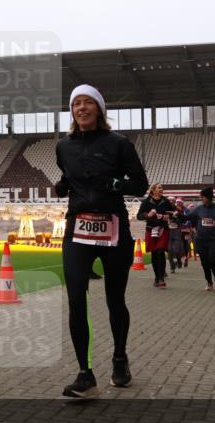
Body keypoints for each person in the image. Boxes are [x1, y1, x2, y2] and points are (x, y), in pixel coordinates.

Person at [54, 84, 148, 398]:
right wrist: (63, 185)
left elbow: (140, 184)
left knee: (114, 300)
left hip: (114, 226)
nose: (81, 108)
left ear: (99, 109)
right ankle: (85, 373)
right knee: (76, 299)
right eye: (76, 104)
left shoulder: (118, 143)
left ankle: (120, 358)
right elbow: (69, 175)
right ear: (71, 111)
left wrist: (113, 183)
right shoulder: (63, 146)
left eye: (87, 103)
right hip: (78, 228)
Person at [178, 187, 215, 291]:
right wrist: (177, 215)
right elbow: (187, 217)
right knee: (204, 262)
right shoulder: (199, 209)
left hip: (214, 240)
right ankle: (209, 282)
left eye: (203, 196)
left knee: (213, 261)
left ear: (209, 197)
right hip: (201, 240)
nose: (201, 198)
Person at [136, 183, 175, 288]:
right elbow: (139, 216)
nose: (161, 189)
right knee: (154, 253)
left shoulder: (165, 201)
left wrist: (169, 215)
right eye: (159, 187)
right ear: (153, 190)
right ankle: (157, 277)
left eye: (162, 188)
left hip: (163, 229)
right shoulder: (146, 202)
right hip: (151, 230)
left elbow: (173, 212)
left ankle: (161, 278)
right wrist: (147, 215)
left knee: (160, 251)